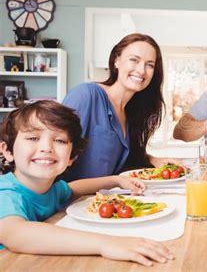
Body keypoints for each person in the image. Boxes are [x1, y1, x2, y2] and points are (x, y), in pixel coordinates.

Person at [0, 100, 174, 266]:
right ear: (7, 150)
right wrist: (106, 244)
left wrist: (116, 180)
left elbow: (73, 188)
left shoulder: (51, 188)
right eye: (32, 138)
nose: (47, 147)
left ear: (71, 157)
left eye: (59, 140)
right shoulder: (5, 193)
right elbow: (17, 233)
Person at [62, 33, 179, 181]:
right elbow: (55, 152)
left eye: (150, 65)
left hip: (102, 201)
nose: (142, 70)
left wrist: (152, 160)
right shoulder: (86, 95)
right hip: (69, 200)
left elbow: (123, 159)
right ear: (116, 60)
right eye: (134, 60)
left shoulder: (131, 111)